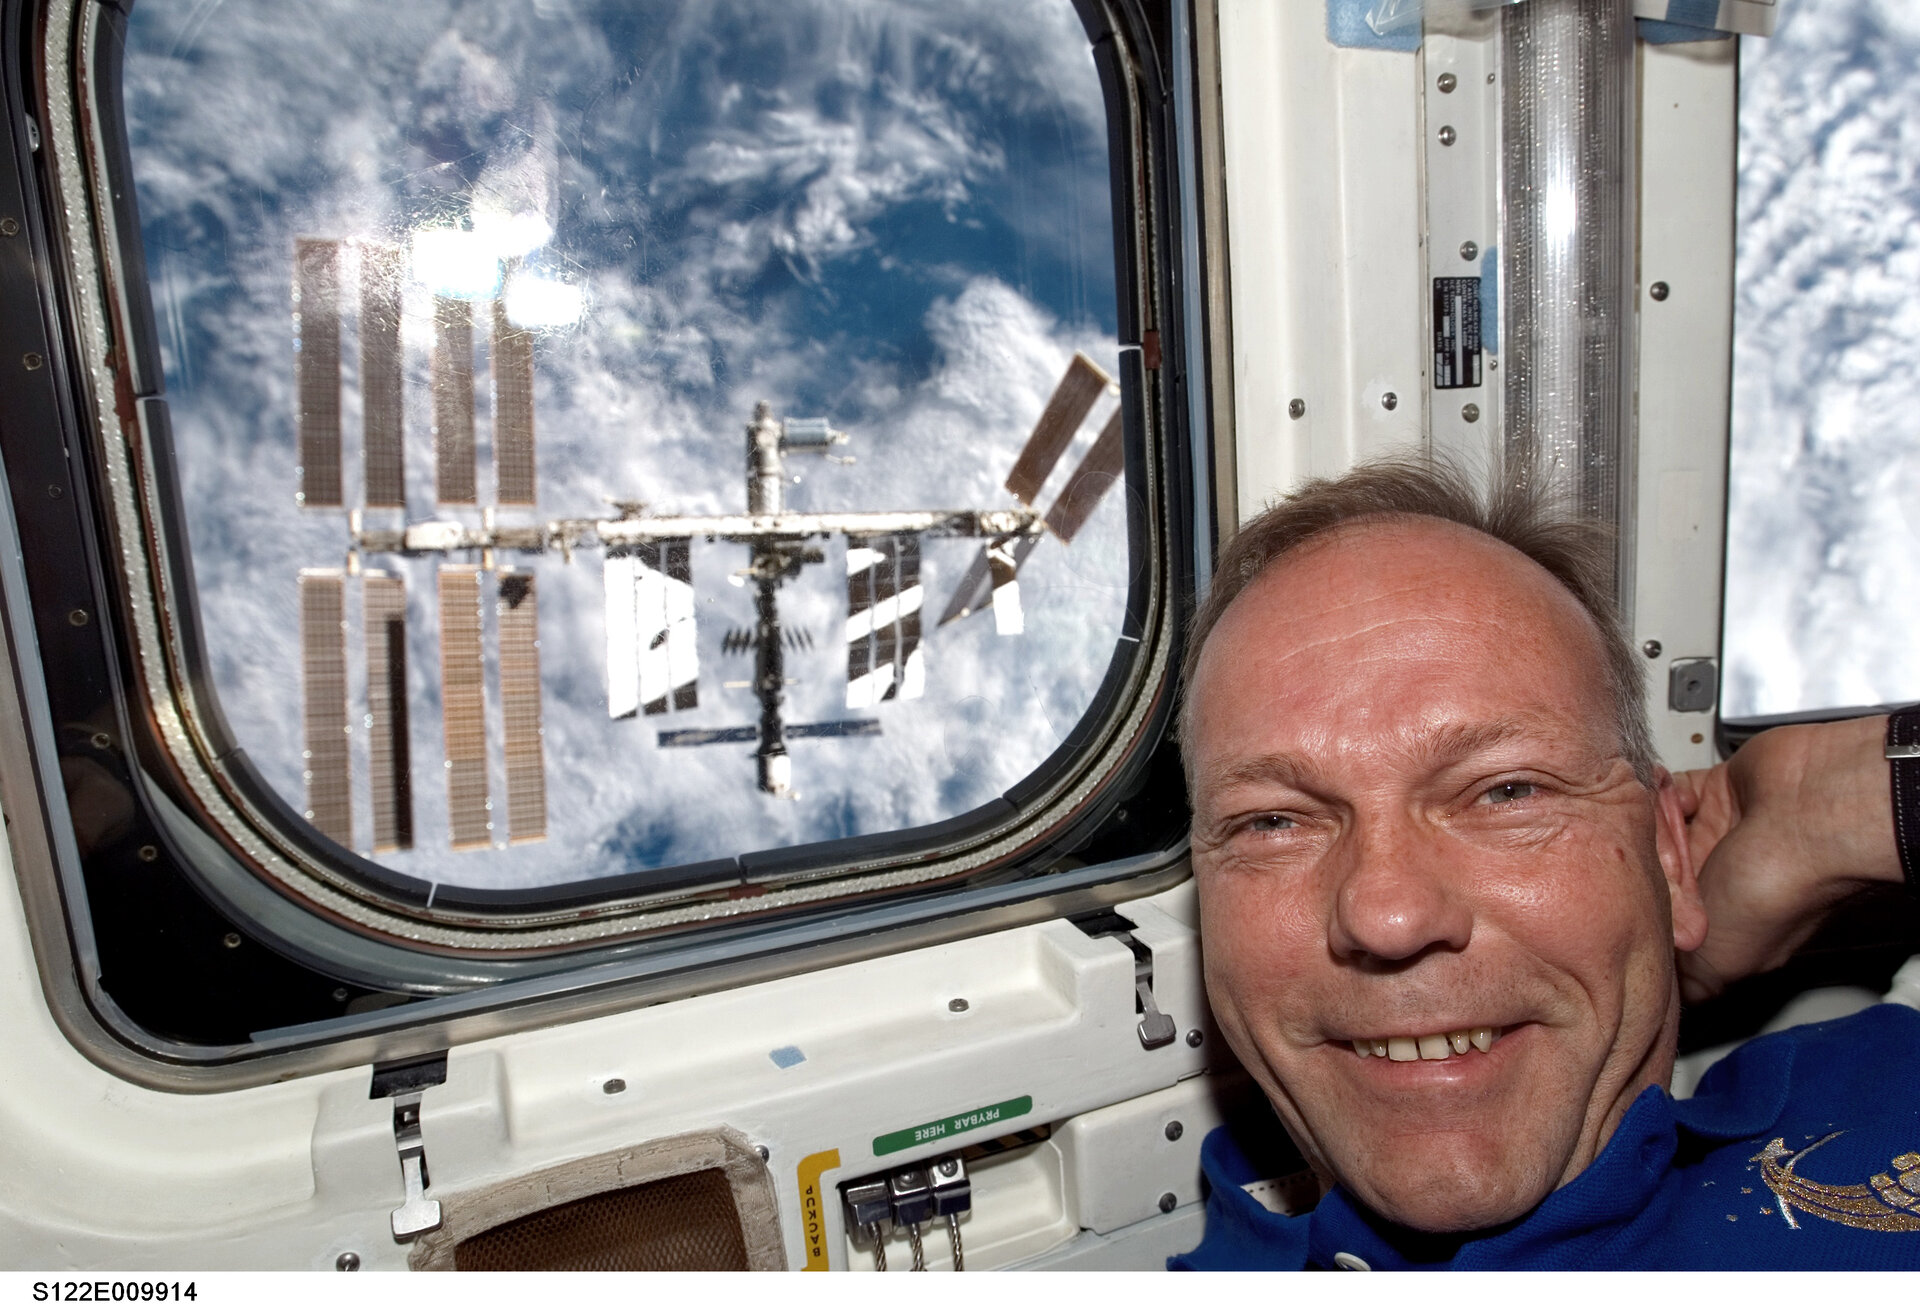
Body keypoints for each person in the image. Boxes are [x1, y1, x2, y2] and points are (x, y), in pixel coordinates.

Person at [1168, 458, 1920, 1270]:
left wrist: (1834, 805)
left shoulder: (1888, 1078)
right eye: (1272, 821)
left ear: (1667, 852)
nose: (1386, 915)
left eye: (1506, 791)